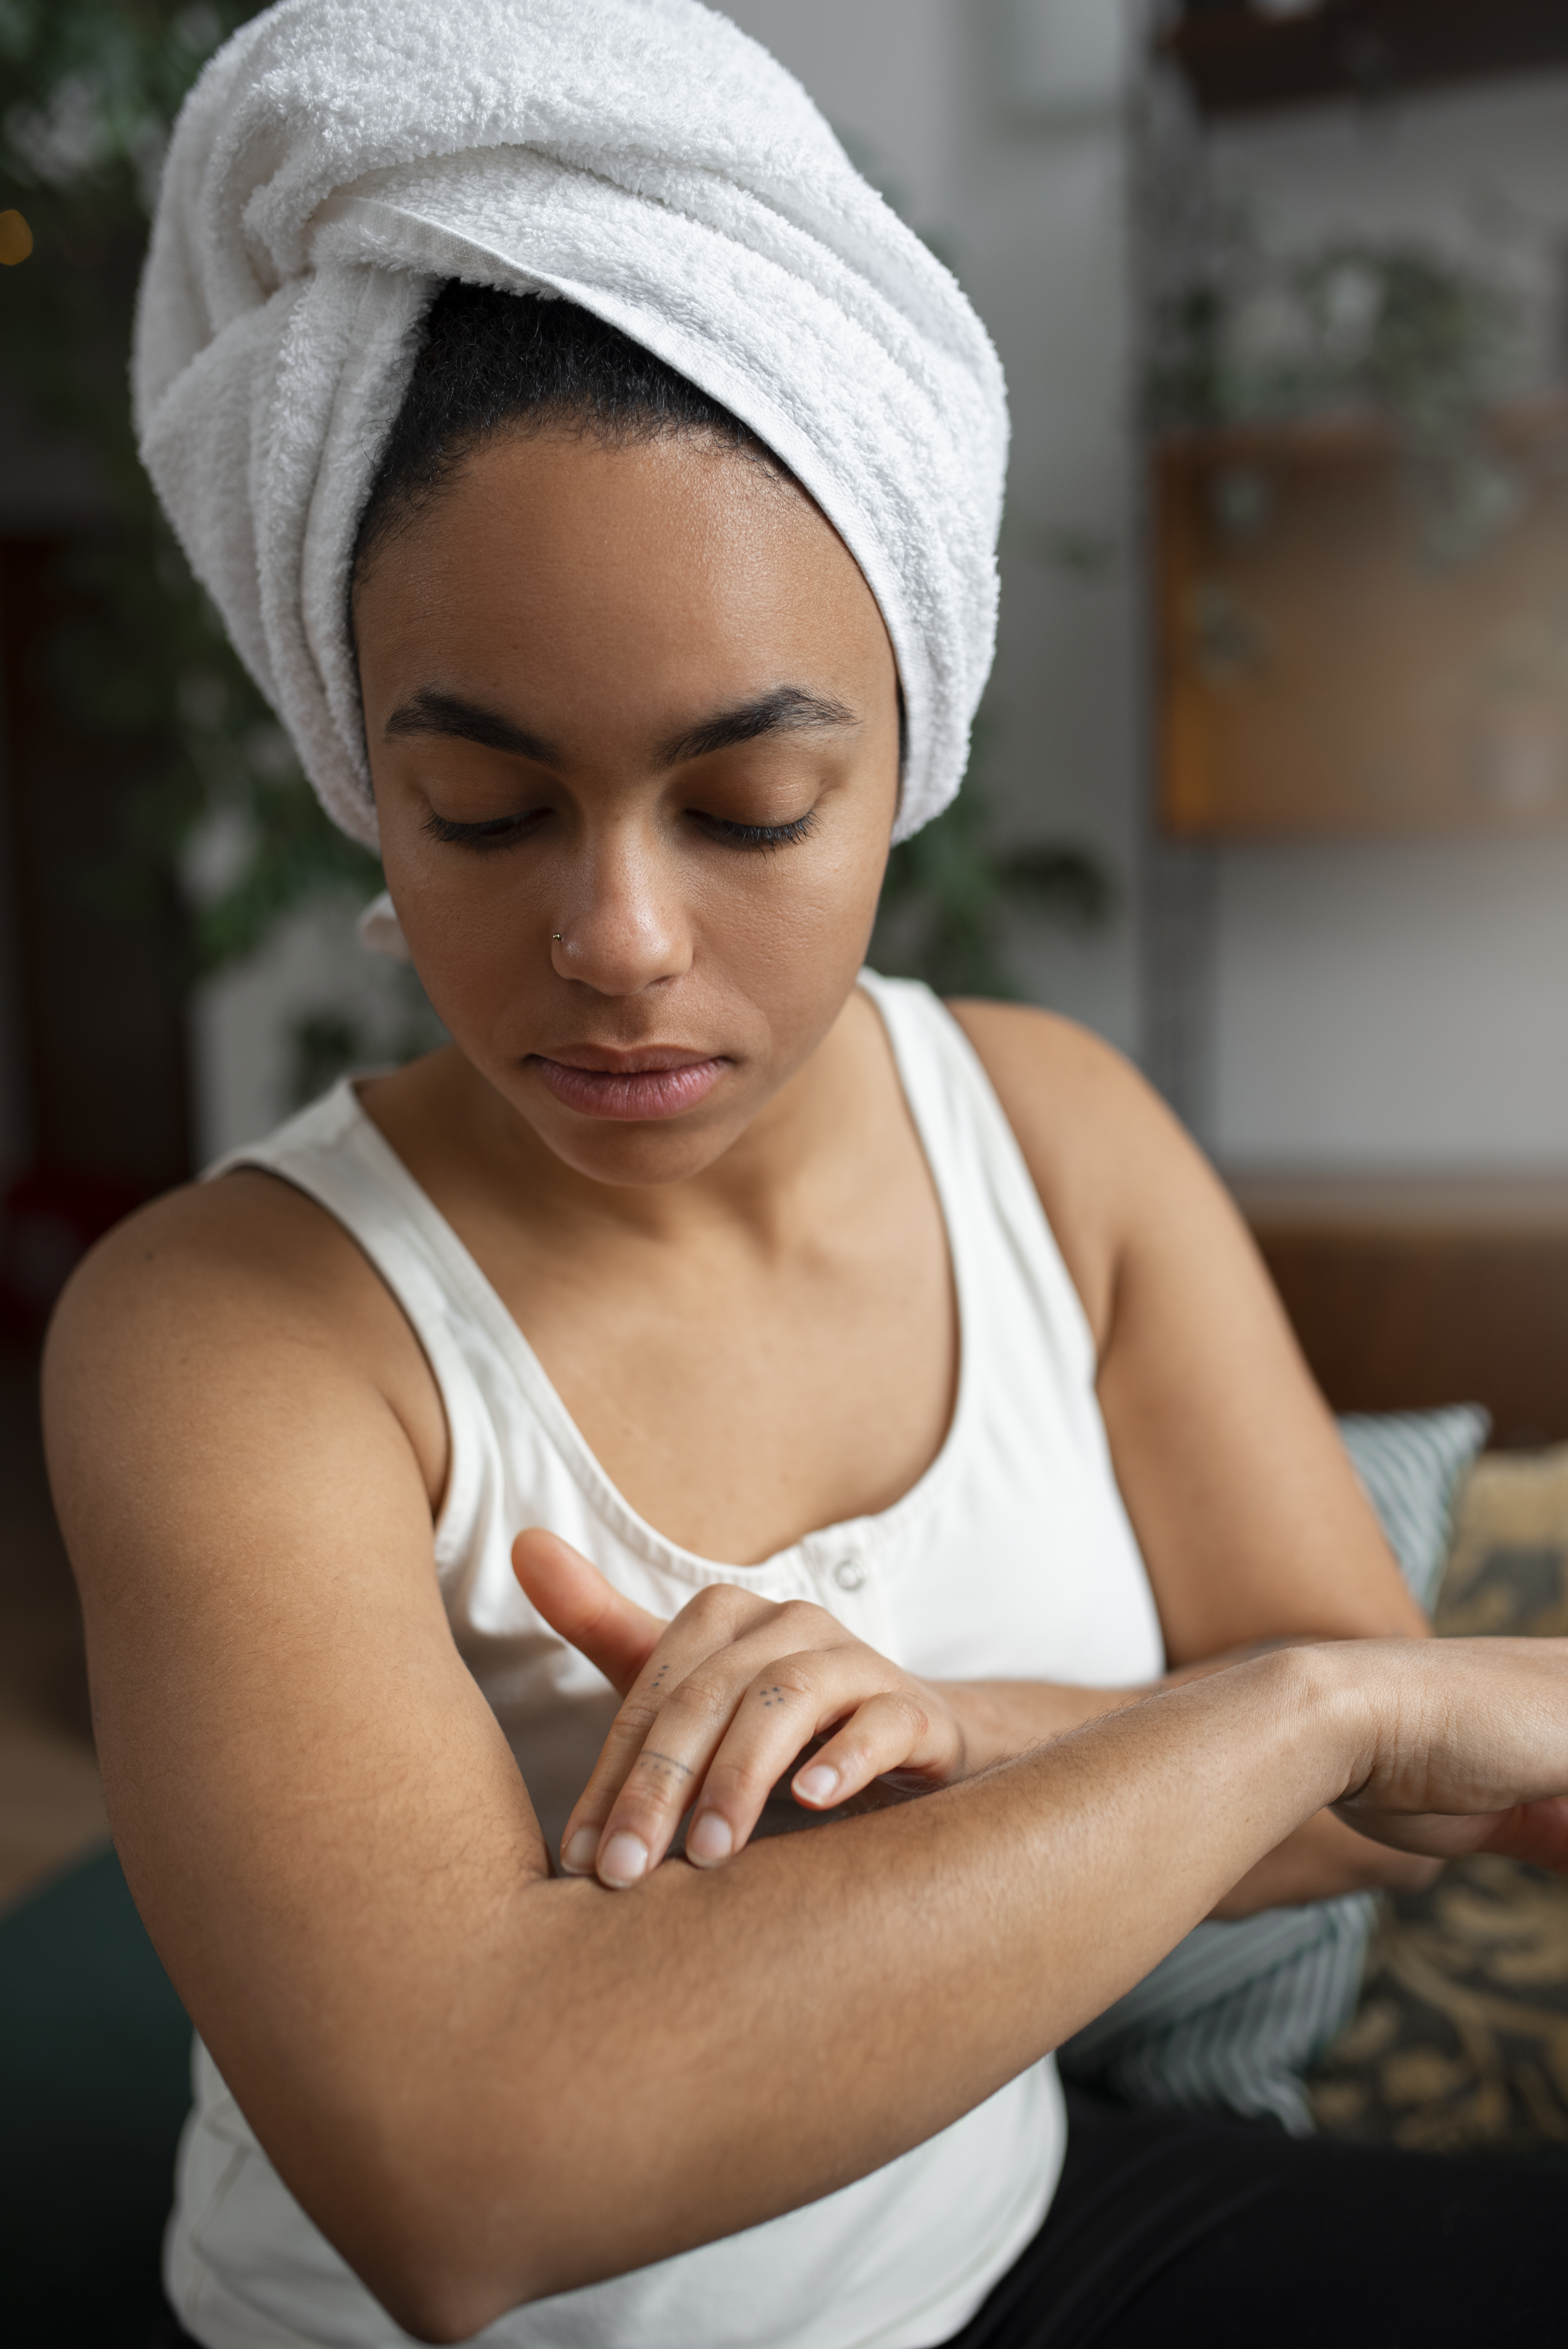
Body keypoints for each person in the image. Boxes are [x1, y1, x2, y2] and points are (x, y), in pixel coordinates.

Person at [45, 5, 1568, 2346]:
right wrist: (1268, 1714)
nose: (620, 942)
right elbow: (466, 2175)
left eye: (747, 807)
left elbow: (1396, 1795)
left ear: (904, 757)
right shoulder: (230, 1331)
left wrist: (960, 1736)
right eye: (485, 808)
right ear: (369, 774)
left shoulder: (1052, 1137)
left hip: (1016, 2240)